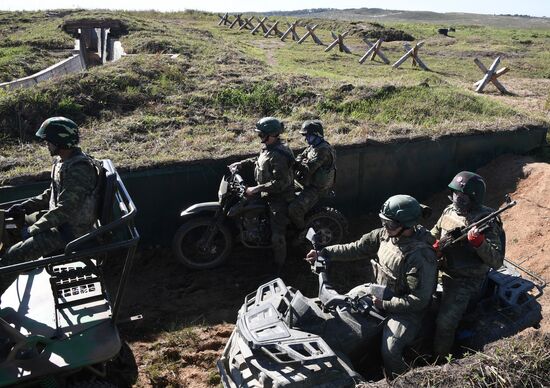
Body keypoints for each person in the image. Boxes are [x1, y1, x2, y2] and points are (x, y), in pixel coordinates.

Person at [305, 195, 437, 379]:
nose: (384, 226)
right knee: (342, 304)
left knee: (391, 349)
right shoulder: (385, 235)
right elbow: (357, 248)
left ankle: (400, 380)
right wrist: (325, 253)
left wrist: (385, 305)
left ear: (407, 225)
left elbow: (418, 301)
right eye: (383, 221)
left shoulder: (421, 257)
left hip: (406, 310)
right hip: (379, 292)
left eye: (389, 223)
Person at [0, 117, 102, 294]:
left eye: (48, 140)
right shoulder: (64, 161)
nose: (46, 144)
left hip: (69, 231)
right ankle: (23, 262)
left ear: (59, 141)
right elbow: (51, 194)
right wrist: (24, 207)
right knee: (11, 223)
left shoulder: (79, 168)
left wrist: (33, 230)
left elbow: (66, 210)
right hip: (59, 222)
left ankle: (18, 260)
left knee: (12, 256)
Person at [429, 171, 504, 359]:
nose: (456, 200)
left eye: (462, 197)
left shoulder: (488, 221)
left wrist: (479, 243)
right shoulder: (449, 211)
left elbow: (496, 261)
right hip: (442, 268)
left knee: (445, 323)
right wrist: (432, 246)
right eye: (455, 194)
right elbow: (435, 233)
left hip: (466, 280)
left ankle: (441, 361)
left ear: (473, 198)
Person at [229, 117, 295, 272]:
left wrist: (257, 189)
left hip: (279, 198)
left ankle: (280, 267)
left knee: (277, 235)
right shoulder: (269, 147)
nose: (259, 138)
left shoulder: (279, 154)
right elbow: (259, 160)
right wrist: (241, 163)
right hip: (266, 193)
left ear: (271, 134)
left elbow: (281, 183)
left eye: (261, 134)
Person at [289, 120, 336, 229]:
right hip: (305, 183)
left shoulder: (323, 150)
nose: (306, 139)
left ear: (317, 135)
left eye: (308, 136)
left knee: (294, 209)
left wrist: (299, 163)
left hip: (316, 188)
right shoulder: (313, 146)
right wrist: (300, 161)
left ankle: (302, 232)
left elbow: (308, 168)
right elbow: (300, 157)